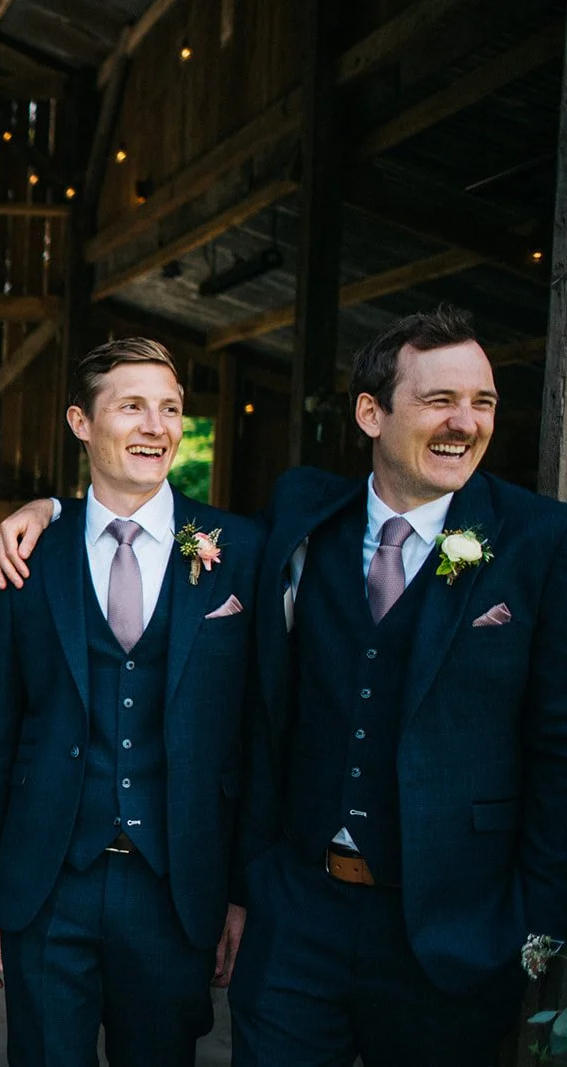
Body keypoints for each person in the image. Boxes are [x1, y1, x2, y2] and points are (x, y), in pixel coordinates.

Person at [225, 308, 567, 1064]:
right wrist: (52, 511)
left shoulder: (540, 539)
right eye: (440, 399)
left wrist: (530, 925)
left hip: (453, 931)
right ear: (370, 413)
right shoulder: (303, 513)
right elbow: (181, 546)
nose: (466, 422)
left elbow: (559, 745)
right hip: (299, 912)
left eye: (482, 402)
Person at [0, 337, 258, 1067]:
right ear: (80, 422)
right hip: (50, 878)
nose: (156, 426)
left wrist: (244, 890)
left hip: (176, 884)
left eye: (171, 409)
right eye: (132, 407)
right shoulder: (28, 556)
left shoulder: (242, 549)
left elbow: (258, 734)